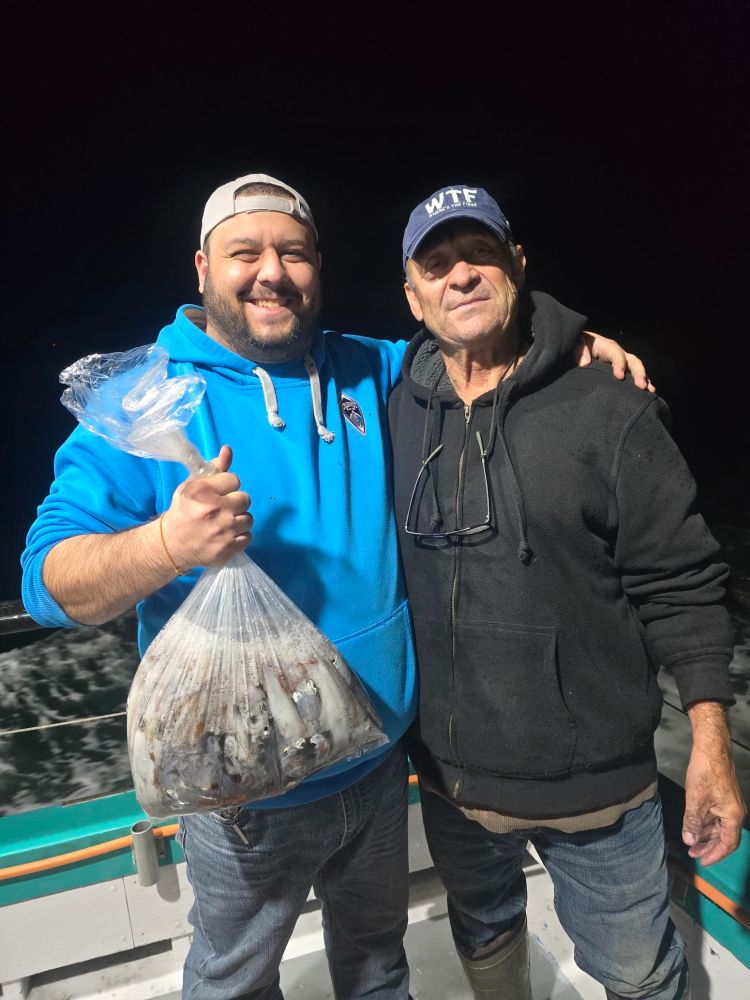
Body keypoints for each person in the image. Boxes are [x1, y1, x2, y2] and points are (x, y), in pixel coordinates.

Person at [22, 173, 646, 1000]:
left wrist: (573, 344)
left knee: (378, 965)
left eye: (294, 252)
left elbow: (478, 341)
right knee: (233, 980)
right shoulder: (145, 399)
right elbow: (47, 581)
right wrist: (168, 542)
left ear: (320, 266)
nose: (271, 271)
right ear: (203, 268)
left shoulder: (368, 367)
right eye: (246, 252)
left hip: (379, 766)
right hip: (241, 792)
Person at [388, 184, 747, 1000]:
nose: (462, 276)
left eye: (480, 253)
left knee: (635, 970)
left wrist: (711, 752)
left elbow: (684, 586)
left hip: (600, 795)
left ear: (518, 265)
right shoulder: (391, 405)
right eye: (437, 265)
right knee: (483, 931)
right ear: (412, 297)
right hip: (450, 782)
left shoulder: (612, 407)